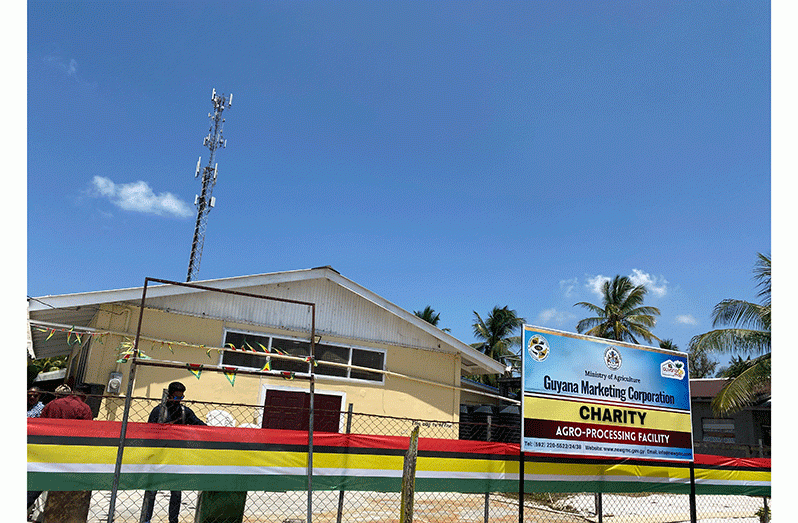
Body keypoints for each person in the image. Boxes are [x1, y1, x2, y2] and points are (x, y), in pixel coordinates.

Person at [141, 382, 206, 523]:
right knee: (151, 492)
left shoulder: (184, 412)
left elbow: (200, 425)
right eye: (176, 398)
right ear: (169, 395)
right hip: (158, 458)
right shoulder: (158, 411)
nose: (178, 401)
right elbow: (148, 433)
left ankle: (173, 520)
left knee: (176, 492)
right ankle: (146, 520)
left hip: (176, 459)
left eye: (181, 398)